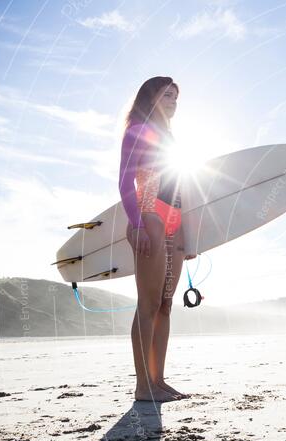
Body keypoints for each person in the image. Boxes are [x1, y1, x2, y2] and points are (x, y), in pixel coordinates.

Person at [119, 76, 194, 402]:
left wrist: (188, 237)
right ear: (150, 98)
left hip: (174, 224)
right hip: (150, 217)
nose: (173, 101)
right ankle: (142, 386)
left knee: (165, 304)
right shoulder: (138, 130)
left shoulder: (172, 141)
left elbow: (184, 191)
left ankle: (158, 381)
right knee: (148, 304)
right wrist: (135, 224)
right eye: (166, 95)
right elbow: (124, 182)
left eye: (176, 97)